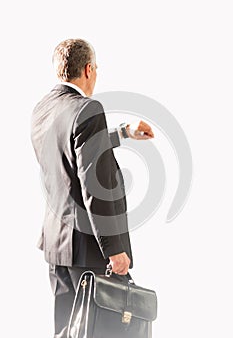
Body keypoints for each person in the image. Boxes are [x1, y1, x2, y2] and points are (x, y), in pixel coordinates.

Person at [31, 38, 154, 338]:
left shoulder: (43, 108)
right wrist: (114, 250)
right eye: (96, 68)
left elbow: (75, 150)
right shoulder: (88, 108)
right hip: (89, 251)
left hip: (56, 248)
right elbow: (92, 185)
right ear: (88, 69)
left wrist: (124, 133)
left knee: (67, 332)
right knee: (104, 332)